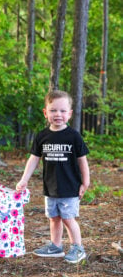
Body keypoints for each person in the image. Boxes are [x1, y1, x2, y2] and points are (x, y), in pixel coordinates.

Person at [16, 90, 90, 264]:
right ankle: (56, 246)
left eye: (63, 111)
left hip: (70, 187)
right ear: (45, 112)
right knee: (54, 218)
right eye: (54, 110)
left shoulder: (73, 136)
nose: (58, 114)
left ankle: (77, 248)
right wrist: (24, 179)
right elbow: (34, 159)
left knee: (67, 218)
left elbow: (82, 161)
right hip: (50, 187)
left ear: (70, 114)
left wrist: (86, 182)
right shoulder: (42, 136)